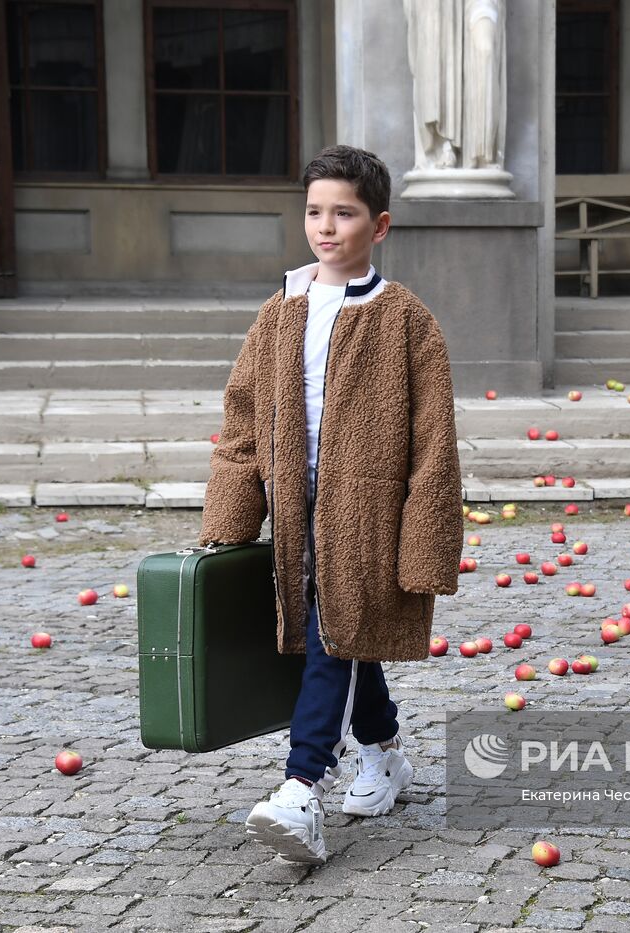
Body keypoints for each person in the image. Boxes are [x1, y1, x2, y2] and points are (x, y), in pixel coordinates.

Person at [198, 145, 462, 864]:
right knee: (339, 636)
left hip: (368, 516)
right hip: (294, 514)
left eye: (343, 213)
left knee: (336, 633)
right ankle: (387, 753)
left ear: (378, 225)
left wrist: (424, 542)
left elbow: (434, 440)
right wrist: (231, 516)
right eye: (314, 210)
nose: (325, 226)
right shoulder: (280, 311)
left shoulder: (407, 320)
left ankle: (300, 787)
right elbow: (244, 417)